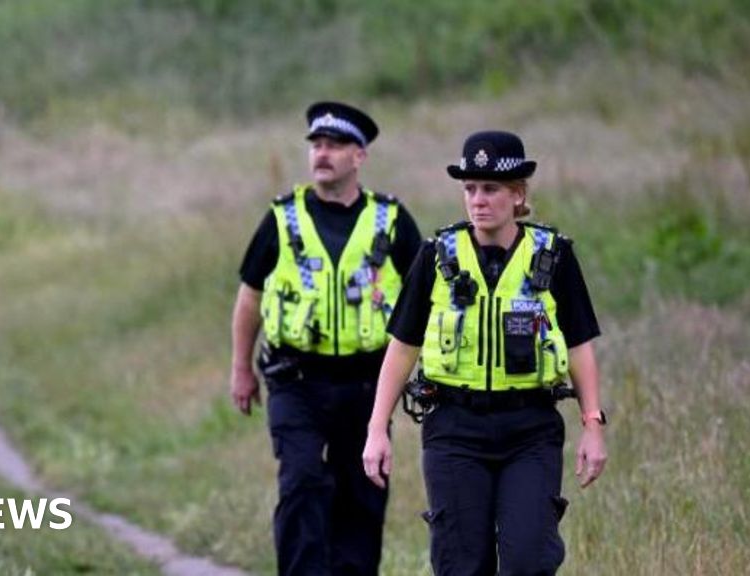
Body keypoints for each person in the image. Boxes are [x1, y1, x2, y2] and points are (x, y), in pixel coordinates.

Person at [362, 130, 607, 575]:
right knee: (461, 564)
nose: (478, 199)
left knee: (529, 559)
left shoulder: (553, 256)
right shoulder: (437, 256)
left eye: (490, 188)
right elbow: (402, 348)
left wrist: (593, 425)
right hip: (454, 427)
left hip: (530, 429)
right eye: (470, 188)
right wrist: (377, 428)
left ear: (517, 195)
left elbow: (579, 344)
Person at [230, 101, 423, 575]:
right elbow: (250, 297)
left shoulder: (391, 221)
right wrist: (240, 369)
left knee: (361, 493)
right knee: (301, 483)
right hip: (296, 380)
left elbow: (424, 303)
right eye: (316, 144)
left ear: (359, 157)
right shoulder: (283, 218)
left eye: (335, 145)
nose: (322, 153)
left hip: (366, 385)